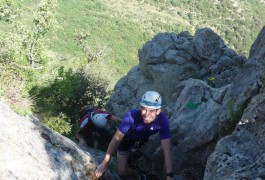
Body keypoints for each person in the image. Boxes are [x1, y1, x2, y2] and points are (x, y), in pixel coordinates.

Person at [95, 91, 173, 180]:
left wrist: (169, 176)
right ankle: (138, 176)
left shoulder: (162, 121)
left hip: (142, 140)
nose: (146, 114)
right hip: (126, 140)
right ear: (140, 107)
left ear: (158, 111)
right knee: (121, 172)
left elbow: (167, 150)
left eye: (151, 110)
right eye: (144, 109)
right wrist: (104, 164)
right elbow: (116, 140)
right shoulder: (131, 116)